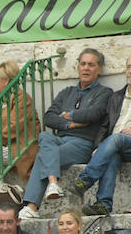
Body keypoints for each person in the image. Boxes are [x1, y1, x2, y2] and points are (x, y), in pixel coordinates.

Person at [18, 50, 111, 219]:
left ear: (100, 69)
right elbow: (49, 117)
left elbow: (93, 114)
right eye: (83, 64)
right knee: (45, 137)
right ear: (77, 67)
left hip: (82, 142)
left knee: (43, 155)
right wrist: (71, 124)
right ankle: (52, 183)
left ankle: (32, 206)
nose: (86, 68)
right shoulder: (66, 92)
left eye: (91, 64)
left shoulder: (104, 92)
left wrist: (69, 115)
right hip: (59, 139)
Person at [73, 53, 131, 216]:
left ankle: (87, 179)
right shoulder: (116, 96)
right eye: (128, 67)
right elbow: (104, 126)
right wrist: (100, 147)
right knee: (112, 153)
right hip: (114, 146)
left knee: (116, 138)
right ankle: (103, 203)